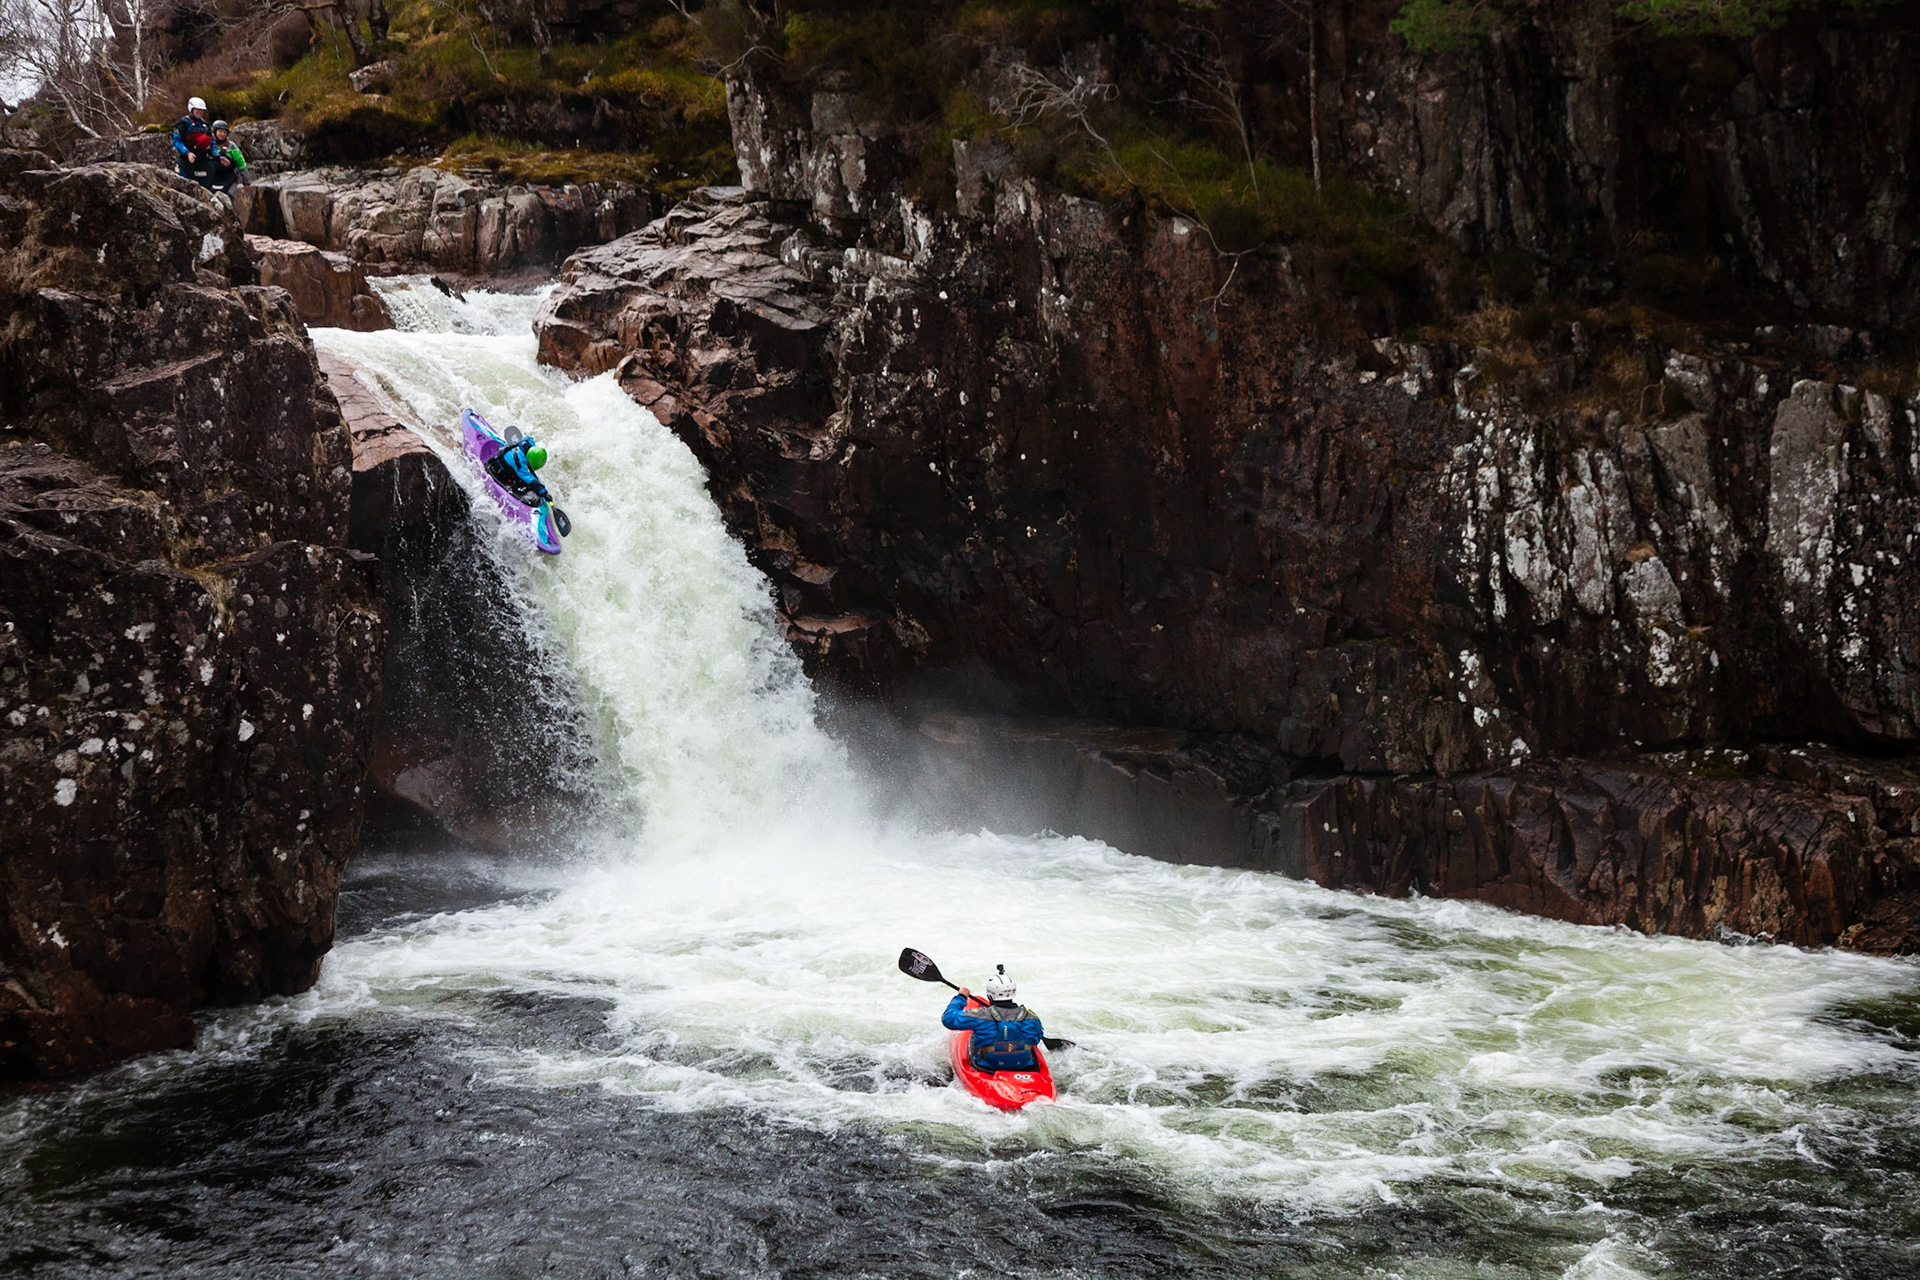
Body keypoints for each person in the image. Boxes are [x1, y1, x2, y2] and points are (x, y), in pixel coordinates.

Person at [942, 966, 1045, 1072]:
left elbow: (948, 1019)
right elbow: (1036, 1038)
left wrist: (961, 997)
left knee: (974, 1035)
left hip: (989, 1066)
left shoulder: (981, 1015)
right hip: (1022, 1065)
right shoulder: (1032, 1017)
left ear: (989, 996)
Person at [485, 432, 554, 506]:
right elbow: (529, 479)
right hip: (498, 469)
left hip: (507, 455)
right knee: (520, 483)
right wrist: (543, 493)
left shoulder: (529, 443)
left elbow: (529, 438)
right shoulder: (519, 463)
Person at [170, 97, 215, 186]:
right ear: (191, 109)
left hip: (202, 159)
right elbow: (177, 141)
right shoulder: (182, 123)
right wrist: (187, 153)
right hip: (187, 160)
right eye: (197, 110)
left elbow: (211, 142)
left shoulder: (205, 125)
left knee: (210, 175)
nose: (200, 112)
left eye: (202, 110)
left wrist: (216, 155)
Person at [208, 121, 249, 190]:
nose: (222, 134)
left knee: (229, 196)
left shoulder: (232, 146)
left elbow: (241, 163)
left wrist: (246, 182)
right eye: (220, 131)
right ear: (215, 132)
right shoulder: (209, 145)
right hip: (213, 178)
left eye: (224, 132)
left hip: (230, 178)